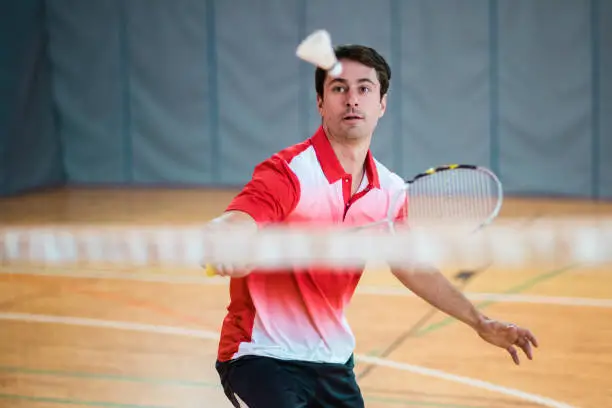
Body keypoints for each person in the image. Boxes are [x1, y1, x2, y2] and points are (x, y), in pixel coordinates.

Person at [207, 44, 538, 408]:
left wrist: (480, 321)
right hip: (260, 356)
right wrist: (227, 241)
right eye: (339, 88)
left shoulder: (391, 192)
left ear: (382, 104)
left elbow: (410, 265)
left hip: (332, 362)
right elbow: (239, 218)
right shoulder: (291, 172)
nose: (352, 99)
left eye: (364, 88)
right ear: (320, 102)